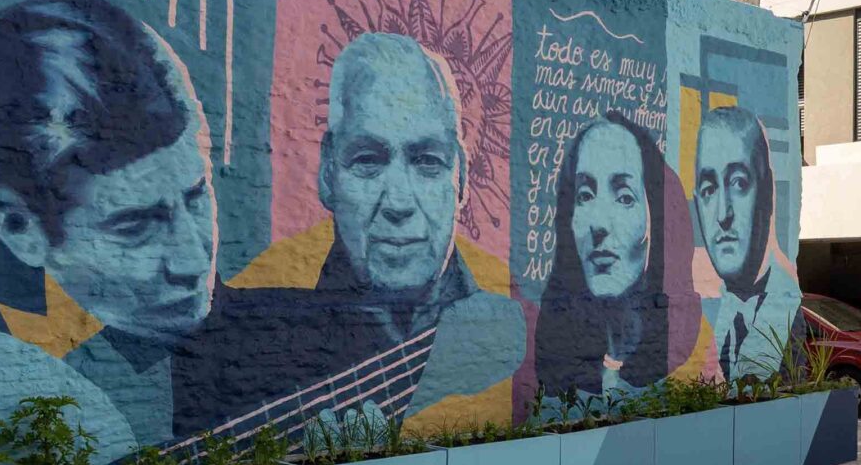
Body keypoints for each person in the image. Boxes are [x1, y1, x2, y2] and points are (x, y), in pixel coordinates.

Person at [0, 0, 220, 454]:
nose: (191, 261)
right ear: (18, 227)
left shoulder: (285, 332)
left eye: (197, 197)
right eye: (134, 227)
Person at [175, 31, 523, 440]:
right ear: (328, 174)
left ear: (460, 178)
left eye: (427, 161)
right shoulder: (241, 334)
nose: (398, 202)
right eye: (368, 160)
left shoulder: (514, 323)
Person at [532, 112, 681, 403]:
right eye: (585, 196)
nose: (599, 224)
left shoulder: (678, 350)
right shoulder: (553, 361)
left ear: (654, 217)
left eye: (625, 197)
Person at [690, 104, 799, 382]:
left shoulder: (788, 307)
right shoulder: (719, 315)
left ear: (767, 191)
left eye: (738, 183)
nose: (722, 214)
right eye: (709, 189)